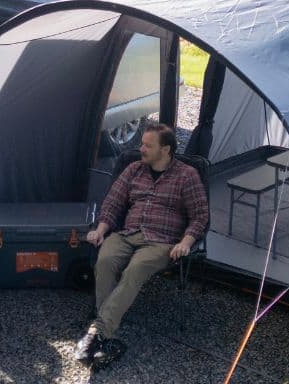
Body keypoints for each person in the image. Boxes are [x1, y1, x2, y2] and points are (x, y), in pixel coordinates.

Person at [74, 123, 209, 369]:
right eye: (142, 144)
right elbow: (113, 202)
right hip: (127, 233)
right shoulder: (134, 169)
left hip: (161, 241)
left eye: (148, 145)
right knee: (105, 261)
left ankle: (98, 331)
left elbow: (200, 216)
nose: (141, 149)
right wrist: (101, 229)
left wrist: (186, 242)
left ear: (165, 149)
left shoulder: (187, 175)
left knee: (134, 270)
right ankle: (106, 338)